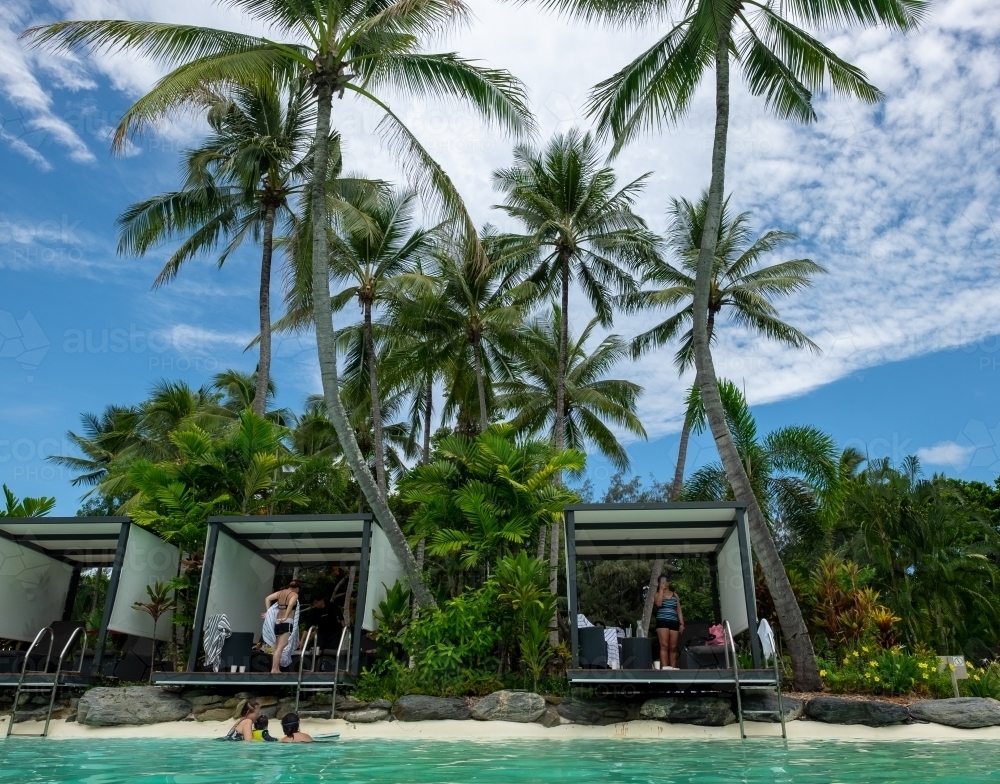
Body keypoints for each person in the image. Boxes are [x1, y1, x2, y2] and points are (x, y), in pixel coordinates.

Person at [263, 580, 300, 674]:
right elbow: (291, 604)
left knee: (278, 647)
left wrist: (268, 612)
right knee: (280, 647)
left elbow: (267, 598)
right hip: (286, 622)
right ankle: (274, 669)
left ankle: (276, 668)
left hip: (277, 622)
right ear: (297, 588)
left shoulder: (280, 593)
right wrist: (286, 616)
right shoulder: (294, 595)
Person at [653, 575, 685, 669]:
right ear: (659, 584)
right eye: (662, 582)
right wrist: (661, 590)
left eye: (665, 582)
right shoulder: (657, 594)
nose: (664, 584)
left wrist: (681, 623)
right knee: (664, 645)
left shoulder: (675, 595)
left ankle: (673, 668)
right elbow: (658, 604)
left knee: (673, 647)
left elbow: (678, 610)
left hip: (674, 622)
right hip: (662, 622)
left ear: (668, 582)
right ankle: (665, 668)